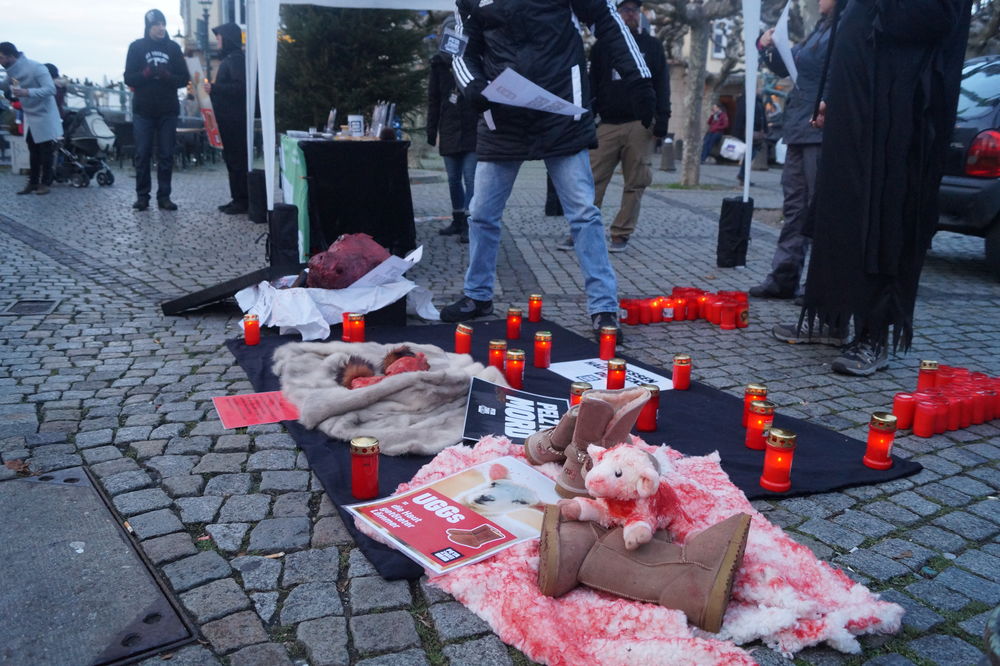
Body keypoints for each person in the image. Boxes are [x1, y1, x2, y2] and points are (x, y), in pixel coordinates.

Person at [440, 0, 656, 341]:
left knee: (584, 213)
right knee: (481, 214)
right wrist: (472, 85)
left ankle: (603, 308)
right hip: (502, 114)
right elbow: (461, 46)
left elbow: (605, 20)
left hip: (561, 109)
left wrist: (639, 78)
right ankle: (478, 295)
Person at [781, 0, 972, 375]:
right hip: (855, 106)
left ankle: (874, 334)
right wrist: (833, 98)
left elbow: (935, 18)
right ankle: (831, 317)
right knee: (840, 213)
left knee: (885, 219)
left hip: (898, 113)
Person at [560, 0, 669, 254]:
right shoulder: (602, 47)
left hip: (639, 123)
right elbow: (593, 83)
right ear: (617, 13)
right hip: (607, 123)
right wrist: (588, 115)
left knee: (636, 181)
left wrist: (661, 118)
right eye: (625, 10)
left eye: (634, 10)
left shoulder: (652, 47)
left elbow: (662, 84)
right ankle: (581, 230)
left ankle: (621, 233)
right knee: (591, 179)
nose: (630, 14)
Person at [749, 0, 837, 302]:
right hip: (799, 127)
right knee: (795, 208)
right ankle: (784, 277)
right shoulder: (819, 29)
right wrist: (767, 47)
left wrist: (828, 103)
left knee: (820, 210)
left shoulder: (845, 28)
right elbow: (792, 64)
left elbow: (845, 74)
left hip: (821, 129)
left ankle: (820, 284)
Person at [123, 9, 189, 211]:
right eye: (156, 25)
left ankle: (164, 197)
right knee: (142, 154)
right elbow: (128, 78)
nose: (161, 28)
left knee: (166, 154)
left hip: (168, 110)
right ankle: (142, 196)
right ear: (148, 27)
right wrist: (146, 74)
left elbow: (183, 79)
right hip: (143, 110)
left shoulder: (173, 48)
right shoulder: (136, 47)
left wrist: (167, 75)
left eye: (163, 24)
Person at [427, 47, 477, 243]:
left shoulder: (474, 58)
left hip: (472, 131)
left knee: (470, 177)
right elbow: (434, 99)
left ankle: (469, 222)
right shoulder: (438, 64)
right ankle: (457, 219)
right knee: (453, 179)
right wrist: (431, 131)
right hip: (449, 130)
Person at [0, 42, 61, 195]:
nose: (0, 61)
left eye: (1, 58)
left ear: (11, 56)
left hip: (45, 114)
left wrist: (27, 92)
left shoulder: (36, 68)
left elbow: (51, 89)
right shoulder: (12, 71)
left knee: (45, 150)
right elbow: (6, 85)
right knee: (33, 147)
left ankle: (45, 183)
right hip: (31, 114)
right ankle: (33, 182)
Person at [206, 23, 248, 215]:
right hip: (230, 119)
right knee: (233, 160)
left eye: (220, 37)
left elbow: (240, 88)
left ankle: (241, 200)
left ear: (228, 38)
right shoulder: (233, 59)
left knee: (236, 160)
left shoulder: (236, 60)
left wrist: (214, 89)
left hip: (234, 120)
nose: (217, 41)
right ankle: (237, 198)